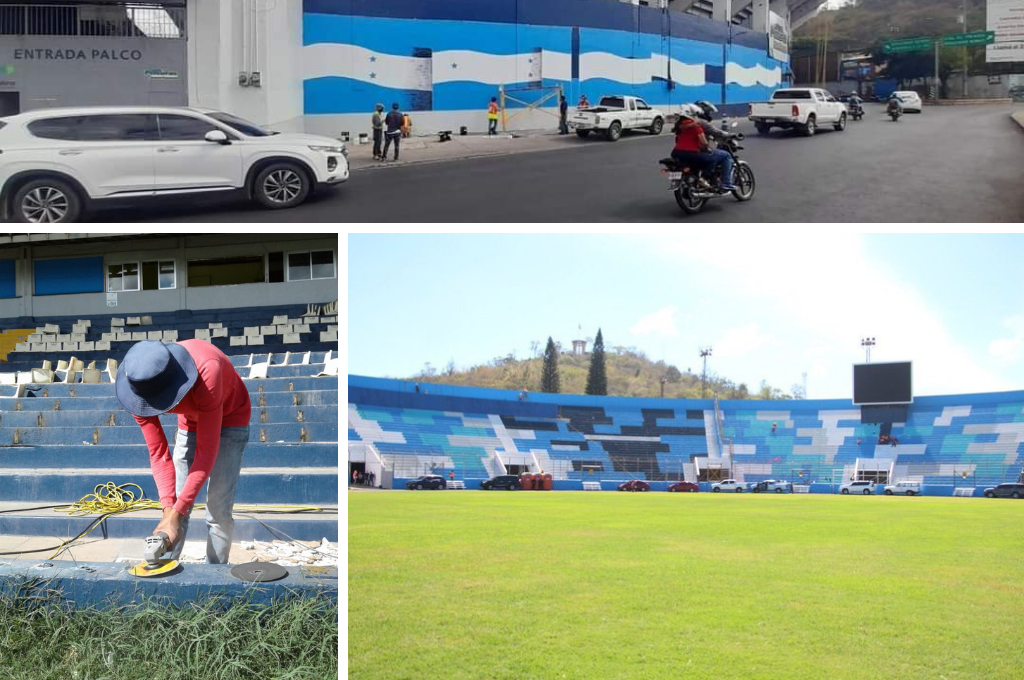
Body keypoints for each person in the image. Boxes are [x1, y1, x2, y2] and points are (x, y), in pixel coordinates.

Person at [116, 340, 250, 565]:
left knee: (217, 509)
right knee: (176, 504)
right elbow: (158, 453)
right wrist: (169, 511)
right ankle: (164, 567)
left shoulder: (207, 369)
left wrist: (176, 512)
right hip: (191, 421)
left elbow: (206, 452)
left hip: (230, 417)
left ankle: (215, 575)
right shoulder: (138, 386)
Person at [670, 111, 736, 192]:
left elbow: (678, 141)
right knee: (725, 155)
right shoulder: (697, 126)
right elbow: (705, 142)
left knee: (708, 158)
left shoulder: (679, 127)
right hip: (692, 154)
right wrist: (708, 148)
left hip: (676, 153)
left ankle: (703, 179)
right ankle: (726, 183)